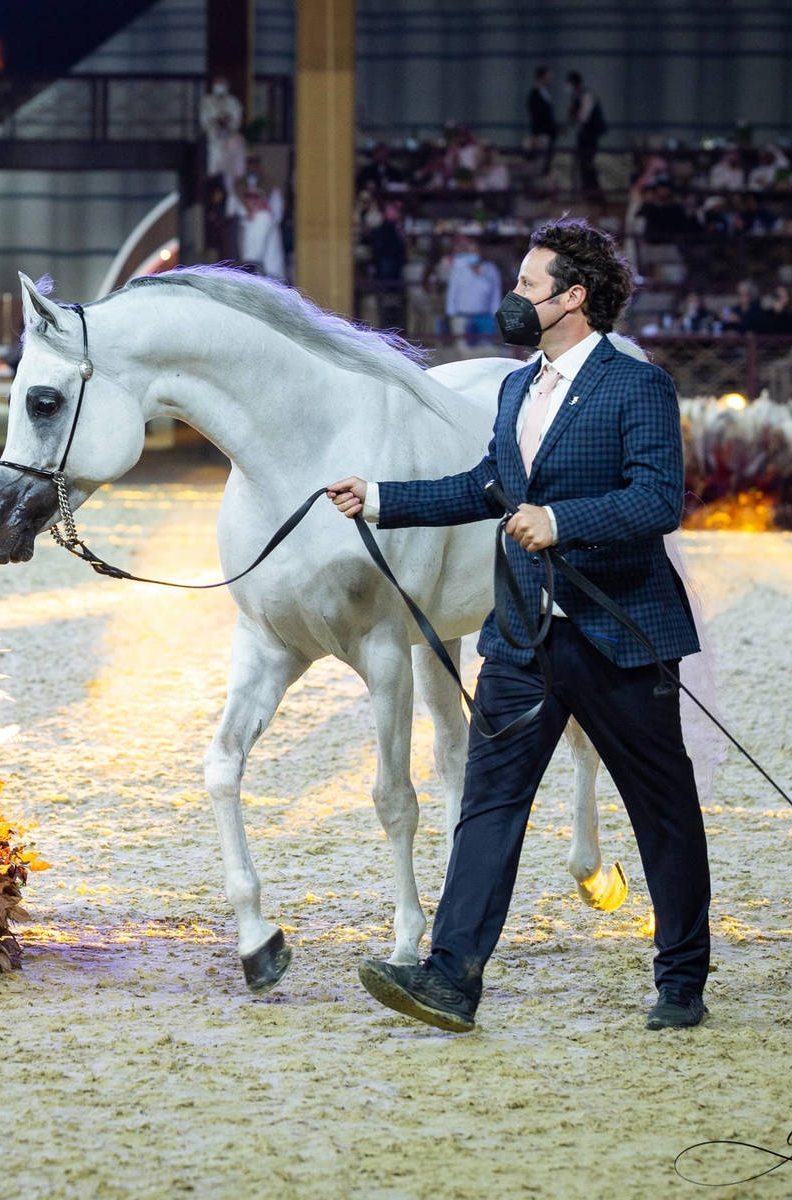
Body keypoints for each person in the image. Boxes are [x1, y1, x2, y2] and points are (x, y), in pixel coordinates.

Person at [326, 217, 710, 1033]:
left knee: (661, 809)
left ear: (573, 298)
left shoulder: (637, 387)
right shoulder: (514, 388)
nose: (515, 297)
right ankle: (450, 979)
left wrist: (561, 522)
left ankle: (681, 978)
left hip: (619, 634)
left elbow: (656, 501)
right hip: (523, 638)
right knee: (490, 803)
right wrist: (385, 499)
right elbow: (485, 487)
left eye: (529, 285)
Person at [439, 236, 502, 344]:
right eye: (470, 251)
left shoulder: (490, 268)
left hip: (485, 317)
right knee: (464, 352)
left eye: (475, 251)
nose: (473, 254)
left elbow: (496, 292)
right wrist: (451, 314)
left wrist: (494, 314)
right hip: (462, 316)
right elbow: (453, 291)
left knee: (486, 350)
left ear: (481, 252)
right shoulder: (458, 268)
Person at [365, 201, 408, 331]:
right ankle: (387, 332)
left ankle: (396, 331)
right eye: (393, 209)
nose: (395, 213)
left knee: (396, 307)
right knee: (386, 307)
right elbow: (383, 251)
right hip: (385, 275)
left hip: (394, 275)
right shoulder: (383, 230)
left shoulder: (397, 229)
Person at [567, 73, 606, 195]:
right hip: (583, 135)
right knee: (583, 162)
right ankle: (588, 189)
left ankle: (593, 189)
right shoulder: (576, 96)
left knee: (588, 162)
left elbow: (583, 117)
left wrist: (573, 113)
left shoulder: (586, 95)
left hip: (589, 136)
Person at [526, 66, 558, 177]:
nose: (551, 79)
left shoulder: (545, 93)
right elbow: (538, 116)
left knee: (546, 164)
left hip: (548, 134)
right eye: (548, 76)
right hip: (541, 134)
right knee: (540, 165)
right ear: (542, 77)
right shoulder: (535, 95)